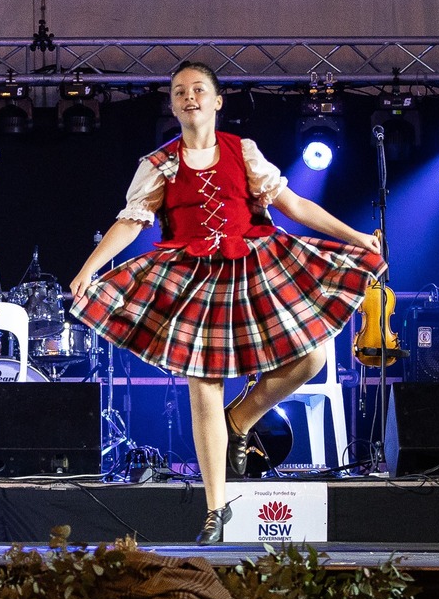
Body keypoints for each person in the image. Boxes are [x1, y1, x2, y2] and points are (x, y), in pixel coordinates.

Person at [70, 61, 385, 543]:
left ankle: (240, 419)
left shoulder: (244, 152)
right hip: (194, 278)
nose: (189, 97)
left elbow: (294, 205)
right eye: (179, 91)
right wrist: (89, 268)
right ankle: (216, 511)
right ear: (173, 104)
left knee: (314, 356)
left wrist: (357, 236)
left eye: (198, 90)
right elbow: (131, 222)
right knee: (203, 384)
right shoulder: (158, 164)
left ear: (217, 101)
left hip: (253, 267)